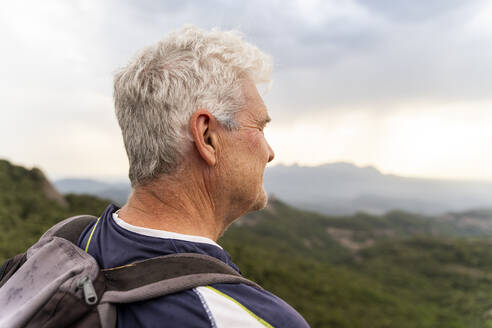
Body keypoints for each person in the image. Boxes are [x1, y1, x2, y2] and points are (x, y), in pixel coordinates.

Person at [78, 26, 310, 327]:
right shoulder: (248, 318)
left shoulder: (68, 245)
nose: (270, 152)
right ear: (207, 137)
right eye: (260, 128)